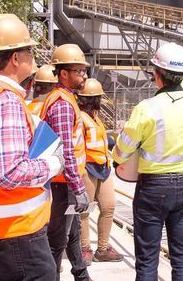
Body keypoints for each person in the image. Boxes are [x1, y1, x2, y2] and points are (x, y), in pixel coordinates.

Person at [0, 14, 64, 280]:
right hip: (16, 233)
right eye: (29, 51)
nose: (32, 59)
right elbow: (9, 173)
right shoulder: (5, 101)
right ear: (16, 59)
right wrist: (53, 164)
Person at [112, 43, 183, 281]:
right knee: (182, 258)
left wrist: (118, 156)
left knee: (147, 261)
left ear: (157, 73)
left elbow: (122, 151)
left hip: (153, 189)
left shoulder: (147, 108)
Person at [39, 44, 91, 281]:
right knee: (56, 243)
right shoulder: (61, 103)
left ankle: (81, 276)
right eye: (79, 71)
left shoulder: (66, 98)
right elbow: (65, 150)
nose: (84, 76)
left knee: (72, 234)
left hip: (65, 182)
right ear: (63, 74)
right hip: (63, 185)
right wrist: (79, 189)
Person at [77, 79, 123, 265]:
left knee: (108, 206)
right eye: (99, 98)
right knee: (85, 210)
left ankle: (102, 249)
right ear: (92, 99)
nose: (101, 101)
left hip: (103, 168)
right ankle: (84, 249)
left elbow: (101, 141)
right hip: (87, 168)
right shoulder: (80, 118)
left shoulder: (95, 117)